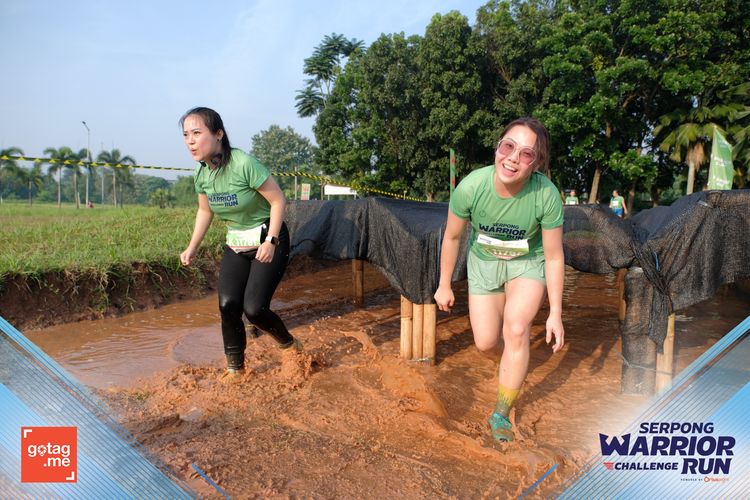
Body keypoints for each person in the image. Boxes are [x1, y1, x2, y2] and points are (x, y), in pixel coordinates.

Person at [434, 117, 565, 442]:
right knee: (486, 343)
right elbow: (452, 237)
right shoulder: (471, 187)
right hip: (484, 263)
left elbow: (553, 256)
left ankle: (501, 414)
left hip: (526, 263)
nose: (512, 158)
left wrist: (555, 313)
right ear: (497, 147)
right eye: (508, 146)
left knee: (517, 329)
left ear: (537, 164)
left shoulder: (546, 195)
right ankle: (512, 361)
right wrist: (444, 283)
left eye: (526, 153)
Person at [179, 107, 300, 382]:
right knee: (228, 304)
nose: (190, 141)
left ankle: (289, 344)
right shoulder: (201, 173)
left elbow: (278, 200)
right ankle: (236, 368)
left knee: (254, 310)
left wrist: (271, 240)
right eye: (186, 135)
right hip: (236, 242)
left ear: (218, 134)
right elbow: (205, 211)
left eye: (196, 133)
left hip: (268, 237)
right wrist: (192, 246)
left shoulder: (243, 163)